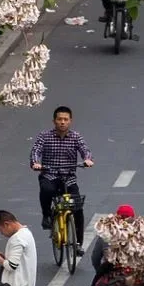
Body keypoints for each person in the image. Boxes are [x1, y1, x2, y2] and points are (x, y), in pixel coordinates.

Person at [29, 106, 93, 252]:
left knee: (77, 208)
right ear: (54, 121)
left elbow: (85, 150)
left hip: (68, 178)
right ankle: (46, 215)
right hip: (49, 175)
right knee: (47, 189)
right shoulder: (45, 136)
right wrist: (36, 163)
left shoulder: (76, 137)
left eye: (65, 119)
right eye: (59, 119)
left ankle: (78, 244)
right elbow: (36, 150)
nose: (62, 122)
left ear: (70, 121)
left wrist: (87, 159)